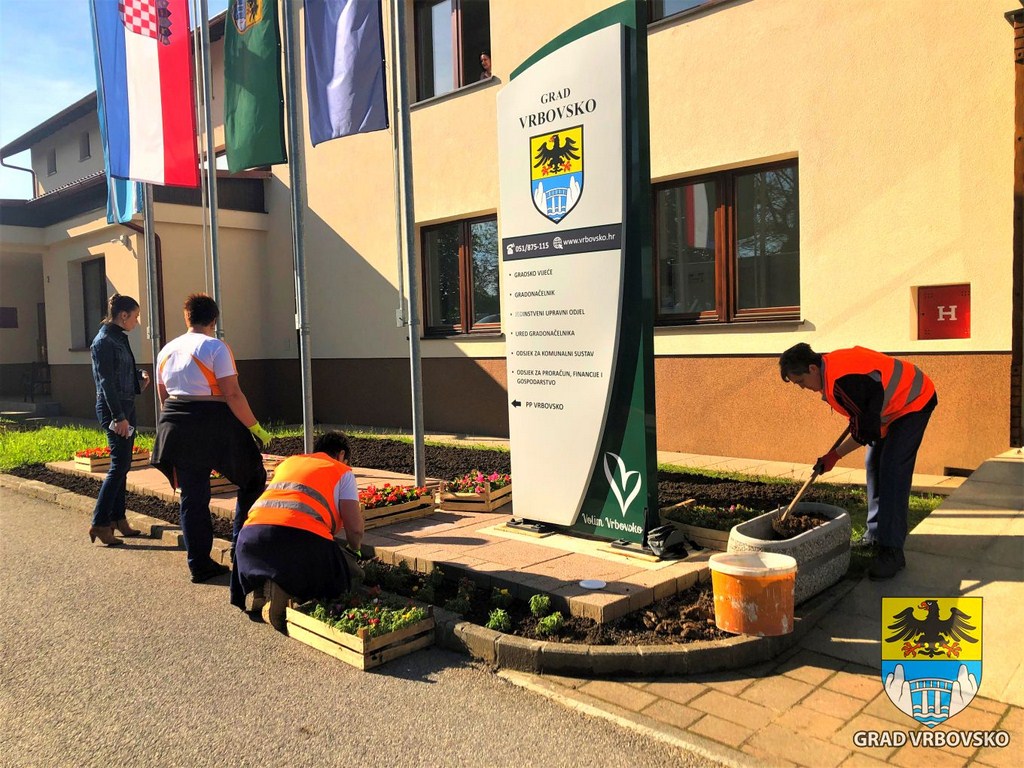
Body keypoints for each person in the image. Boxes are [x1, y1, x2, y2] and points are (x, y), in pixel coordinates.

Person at [779, 343, 938, 580]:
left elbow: (865, 432)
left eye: (801, 381)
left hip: (913, 400)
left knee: (893, 470)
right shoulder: (831, 371)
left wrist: (835, 456)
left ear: (812, 368)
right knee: (874, 464)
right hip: (889, 408)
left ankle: (892, 551)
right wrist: (851, 434)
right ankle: (875, 534)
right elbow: (864, 418)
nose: (803, 388)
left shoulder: (844, 382)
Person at [151, 293, 269, 583]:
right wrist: (256, 428)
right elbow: (232, 394)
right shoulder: (216, 347)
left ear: (187, 317)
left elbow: (163, 396)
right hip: (213, 422)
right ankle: (242, 551)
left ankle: (199, 564)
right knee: (252, 478)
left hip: (175, 424)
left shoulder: (166, 350)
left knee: (193, 497)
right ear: (214, 320)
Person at [229, 431, 365, 631]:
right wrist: (355, 550)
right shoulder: (341, 471)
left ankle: (262, 587)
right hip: (300, 539)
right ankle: (282, 595)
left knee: (279, 552)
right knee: (347, 575)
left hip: (250, 539)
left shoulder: (288, 463)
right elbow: (355, 529)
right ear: (341, 455)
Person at [89, 294, 151, 546]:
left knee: (123, 465)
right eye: (135, 317)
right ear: (123, 316)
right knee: (119, 466)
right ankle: (100, 523)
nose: (137, 322)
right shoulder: (104, 341)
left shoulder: (118, 338)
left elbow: (120, 372)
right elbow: (106, 382)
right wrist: (119, 417)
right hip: (114, 410)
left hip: (126, 406)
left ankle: (118, 519)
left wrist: (139, 377)